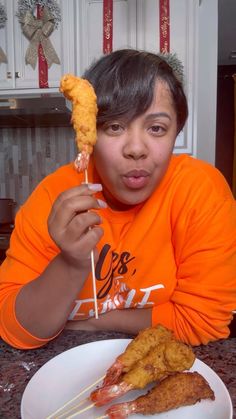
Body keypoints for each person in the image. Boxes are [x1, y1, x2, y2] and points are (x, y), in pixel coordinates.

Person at [0, 49, 236, 350]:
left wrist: (96, 321)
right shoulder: (53, 195)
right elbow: (14, 329)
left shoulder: (200, 190)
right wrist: (71, 262)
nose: (136, 148)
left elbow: (204, 320)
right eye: (114, 126)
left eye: (156, 128)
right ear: (90, 133)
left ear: (176, 131)